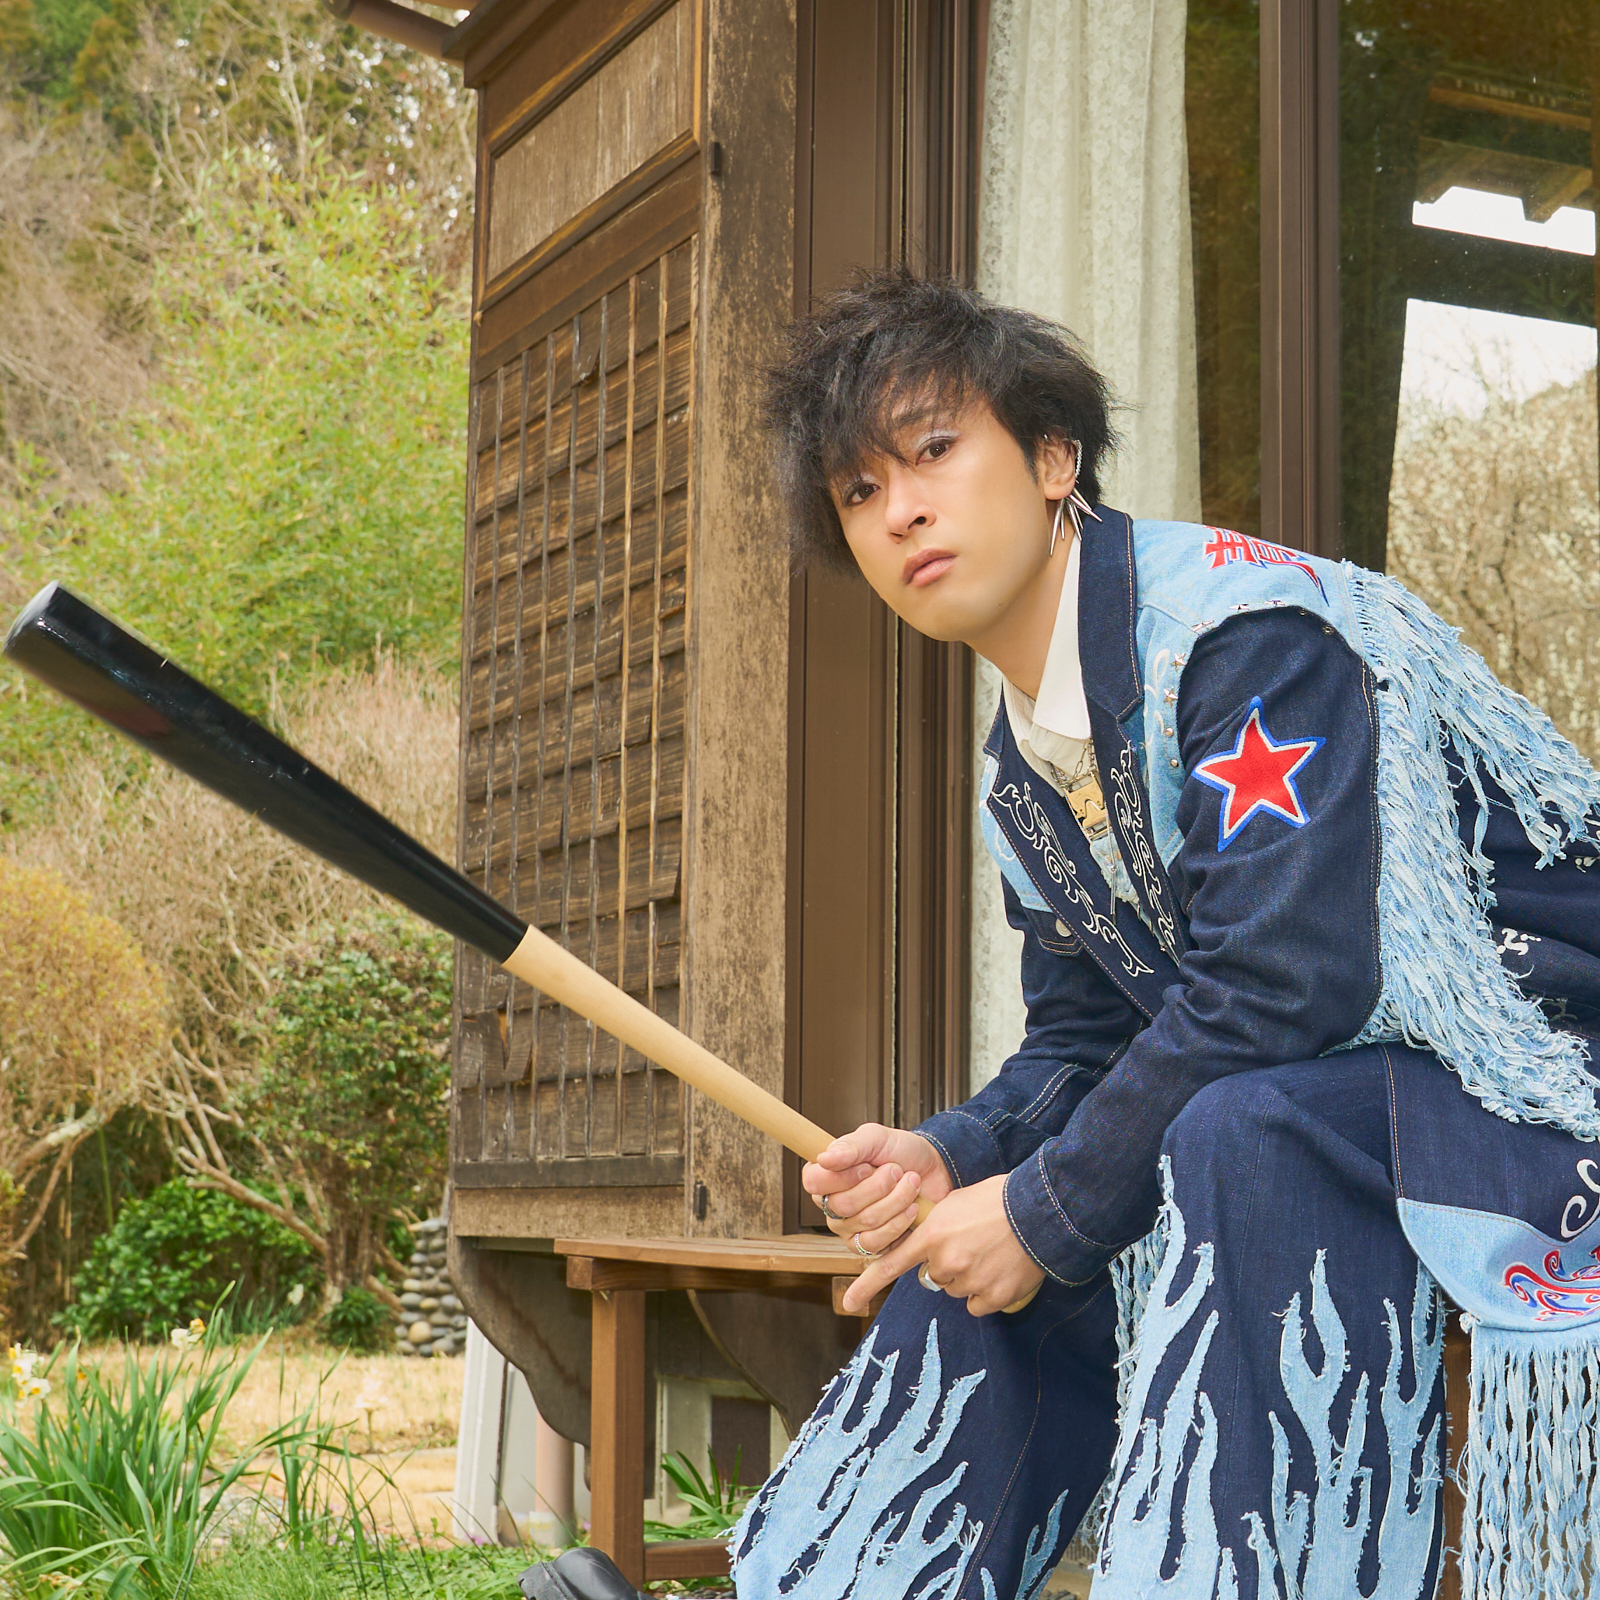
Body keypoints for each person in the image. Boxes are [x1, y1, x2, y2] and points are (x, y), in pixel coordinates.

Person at [727, 269, 1600, 1600]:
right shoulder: (1023, 766)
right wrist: (955, 1156)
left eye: (934, 450)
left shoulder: (1243, 635)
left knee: (1224, 1138)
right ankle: (831, 1585)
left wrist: (1044, 1208)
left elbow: (1282, 985)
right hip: (1351, 1088)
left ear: (1053, 459)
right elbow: (1086, 1042)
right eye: (857, 491)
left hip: (1543, 1069)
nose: (900, 510)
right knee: (1009, 1224)